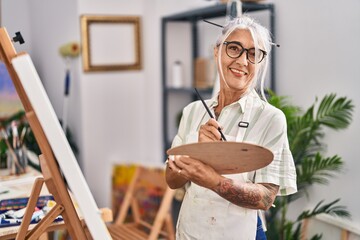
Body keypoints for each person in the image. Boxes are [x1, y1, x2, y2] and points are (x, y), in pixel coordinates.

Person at [165, 15, 297, 240]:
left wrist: (214, 181)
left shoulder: (270, 119)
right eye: (234, 48)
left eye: (254, 54)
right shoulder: (193, 111)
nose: (243, 61)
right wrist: (196, 154)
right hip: (189, 232)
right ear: (217, 51)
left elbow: (266, 198)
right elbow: (171, 180)